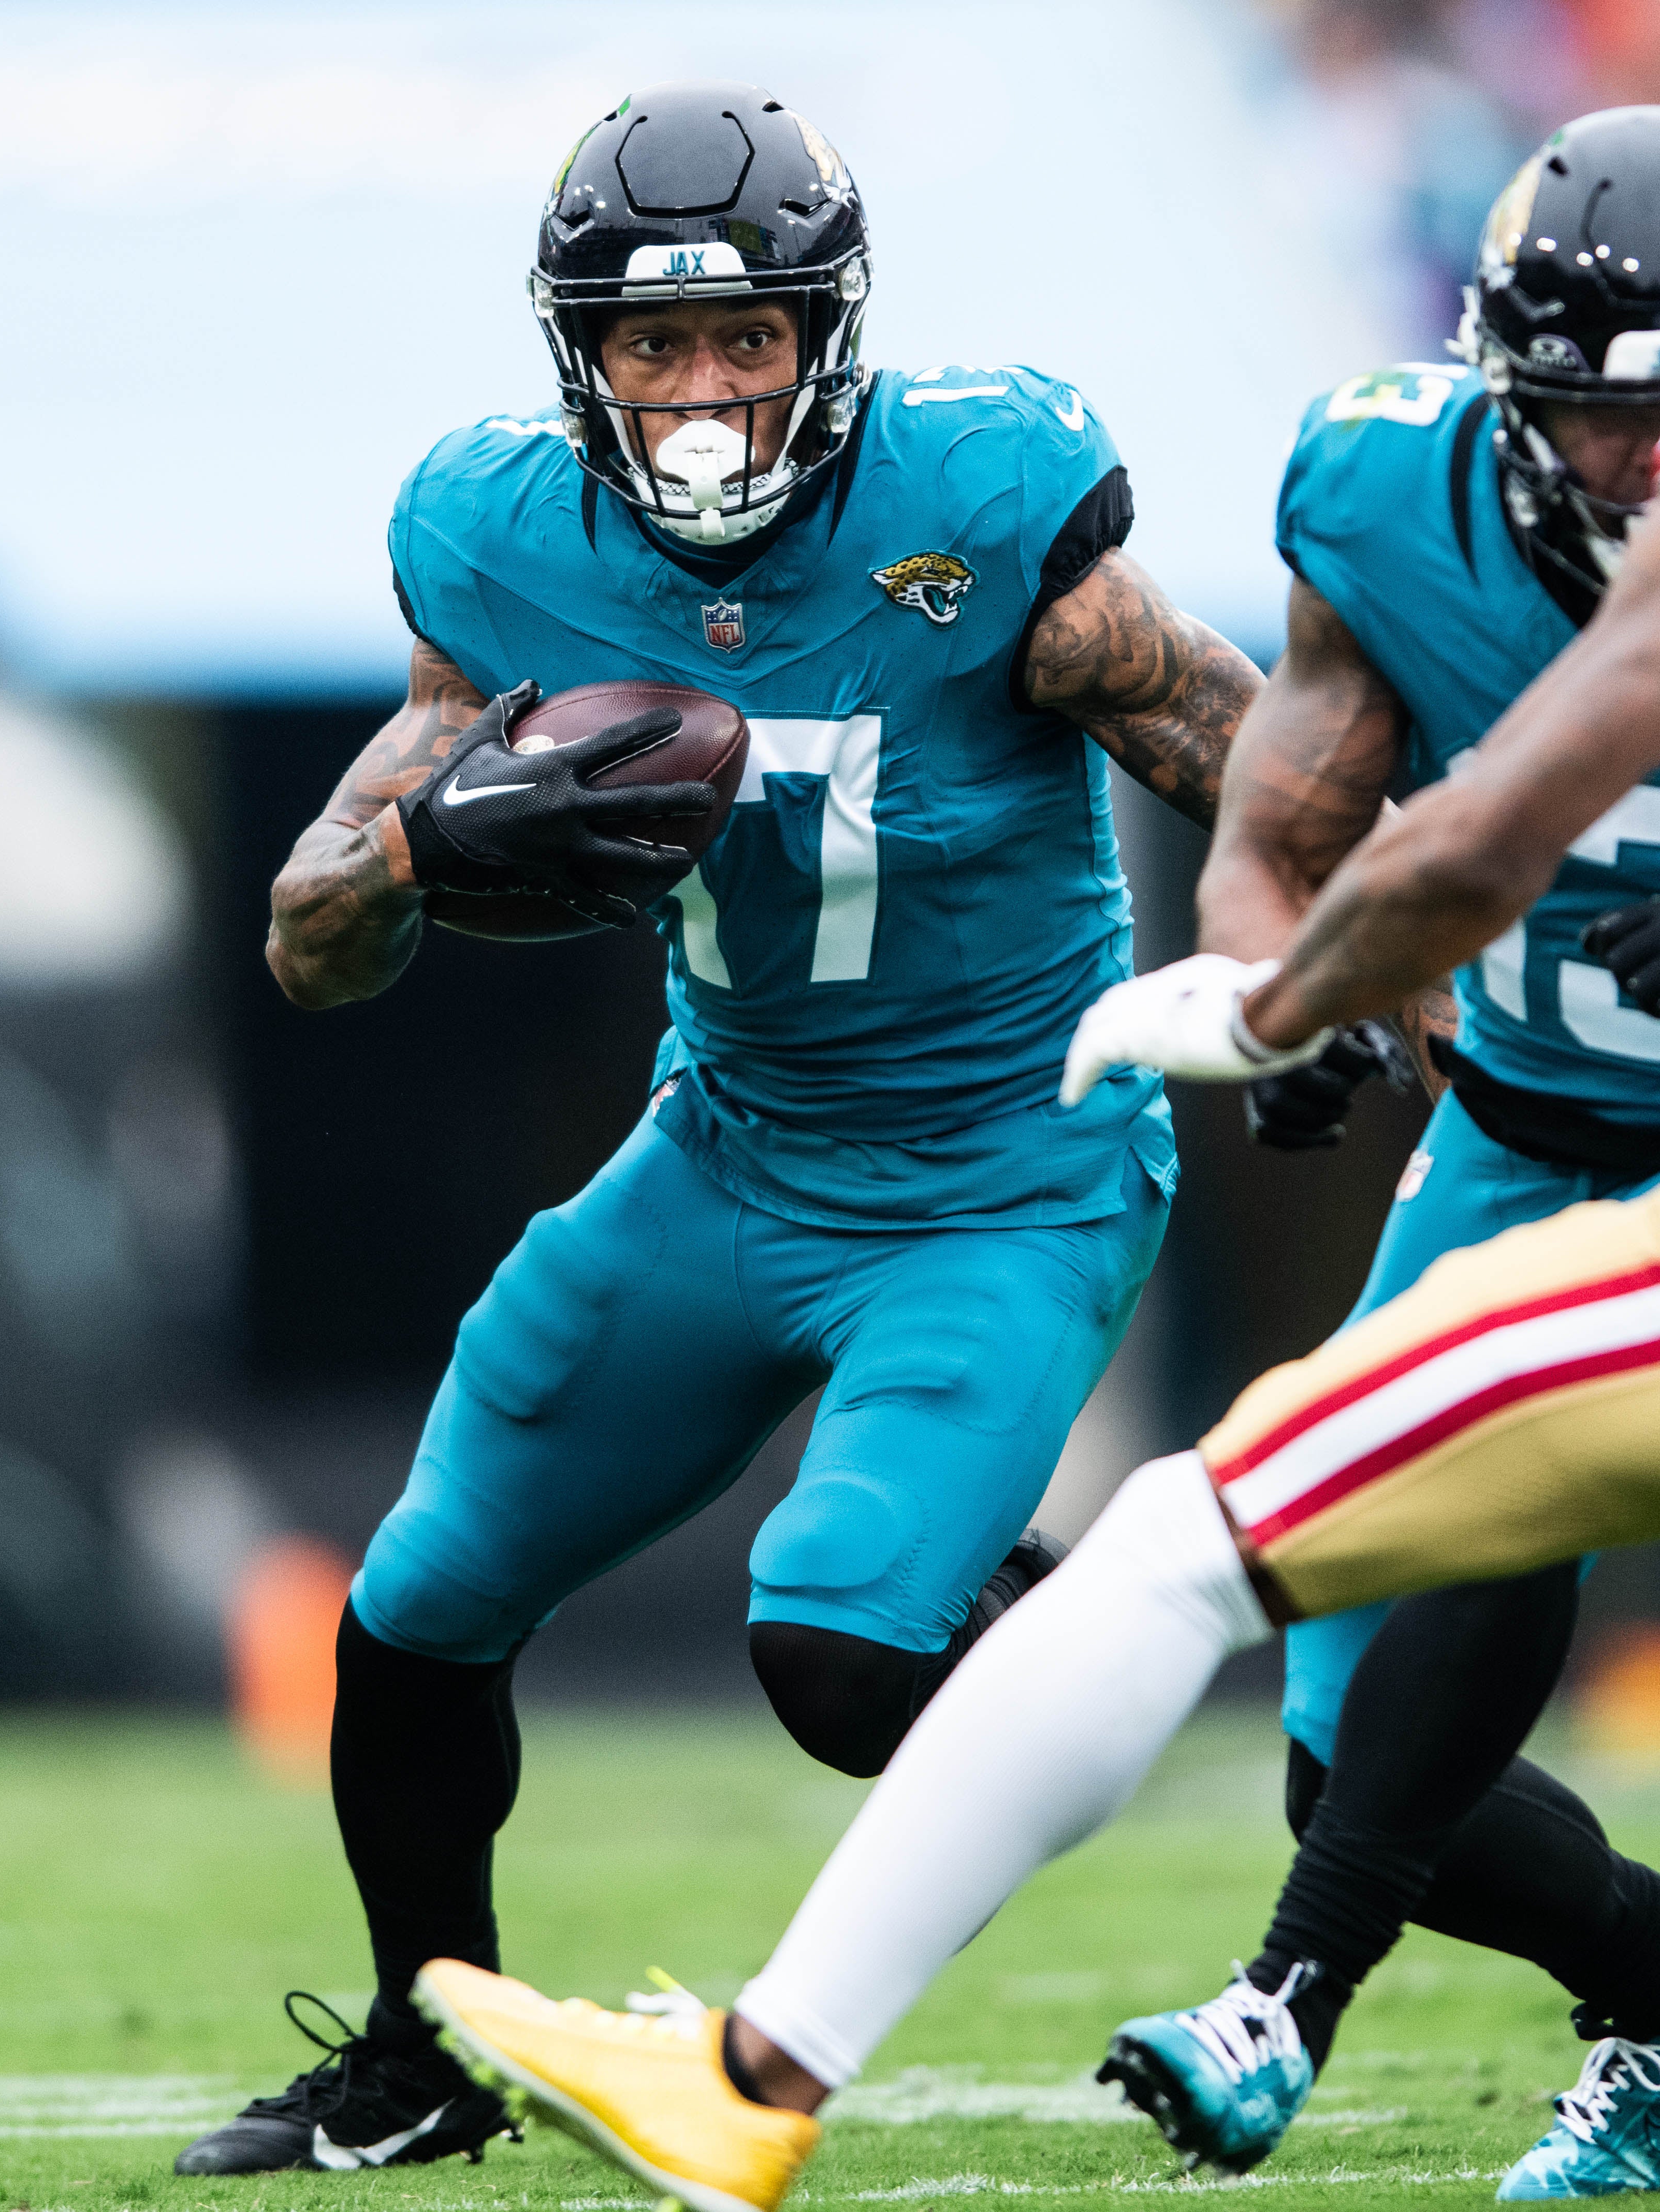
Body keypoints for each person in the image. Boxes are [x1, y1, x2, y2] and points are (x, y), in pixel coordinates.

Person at [403, 60, 1660, 2212]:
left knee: (1191, 1541)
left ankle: (766, 2072)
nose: (1649, 448)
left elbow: (1497, 828)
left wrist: (1270, 998)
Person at [176, 81, 1264, 2178]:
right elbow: (313, 948)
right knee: (415, 1607)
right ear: (579, 357)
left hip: (1004, 1175)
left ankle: (1143, 1618)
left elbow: (1233, 736)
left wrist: (1379, 952)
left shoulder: (985, 496)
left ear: (824, 340)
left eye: (745, 338)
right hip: (733, 1148)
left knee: (844, 1662)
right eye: (653, 346)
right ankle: (415, 2062)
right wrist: (418, 838)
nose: (698, 391)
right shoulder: (502, 547)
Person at [1094, 108, 1660, 2195]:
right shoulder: (1390, 496)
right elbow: (1276, 836)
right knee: (1348, 1758)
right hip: (1519, 1140)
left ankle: (1278, 2008)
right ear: (1506, 381)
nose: (1643, 462)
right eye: (1597, 411)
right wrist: (1282, 1007)